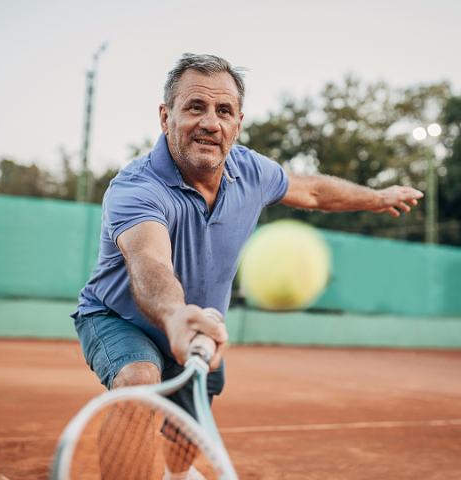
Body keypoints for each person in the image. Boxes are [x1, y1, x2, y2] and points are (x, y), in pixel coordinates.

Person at [72, 53, 423, 479]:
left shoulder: (251, 170)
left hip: (199, 324)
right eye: (195, 107)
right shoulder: (136, 188)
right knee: (139, 380)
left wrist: (376, 196)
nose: (210, 123)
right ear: (166, 117)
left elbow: (311, 191)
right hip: (119, 317)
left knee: (184, 441)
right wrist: (175, 315)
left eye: (224, 111)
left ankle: (176, 475)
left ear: (238, 123)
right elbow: (149, 260)